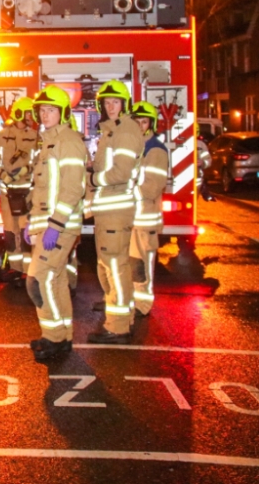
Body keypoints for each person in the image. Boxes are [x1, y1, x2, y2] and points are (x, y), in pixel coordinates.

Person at [22, 86, 86, 361]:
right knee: (56, 280)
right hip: (47, 224)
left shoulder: (68, 141)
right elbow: (42, 190)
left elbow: (73, 188)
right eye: (42, 110)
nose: (45, 115)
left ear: (63, 113)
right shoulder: (46, 143)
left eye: (51, 110)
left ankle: (54, 338)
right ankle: (61, 337)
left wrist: (55, 225)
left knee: (37, 280)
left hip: (60, 225)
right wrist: (31, 223)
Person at [87, 80, 144, 345]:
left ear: (125, 104)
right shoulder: (112, 131)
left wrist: (94, 179)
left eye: (115, 102)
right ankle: (122, 314)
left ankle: (118, 326)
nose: (110, 106)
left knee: (115, 266)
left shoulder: (126, 130)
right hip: (107, 209)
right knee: (109, 265)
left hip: (115, 208)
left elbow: (120, 172)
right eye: (107, 102)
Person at [0, 96, 38, 283]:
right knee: (10, 231)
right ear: (18, 113)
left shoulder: (35, 137)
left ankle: (28, 270)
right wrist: (4, 175)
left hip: (27, 192)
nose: (30, 116)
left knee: (26, 231)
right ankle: (15, 268)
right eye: (27, 113)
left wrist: (27, 170)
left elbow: (38, 160)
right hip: (7, 192)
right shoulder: (1, 136)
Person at [130, 101, 169, 316]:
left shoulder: (155, 150)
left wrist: (126, 194)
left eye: (143, 121)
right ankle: (132, 302)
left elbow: (152, 187)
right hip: (131, 217)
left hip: (145, 219)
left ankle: (142, 305)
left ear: (151, 124)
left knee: (142, 266)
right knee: (131, 264)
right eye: (136, 121)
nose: (139, 125)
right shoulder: (134, 147)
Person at [197, 132, 217, 201]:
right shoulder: (200, 144)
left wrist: (202, 163)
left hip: (197, 181)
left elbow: (208, 161)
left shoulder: (200, 145)